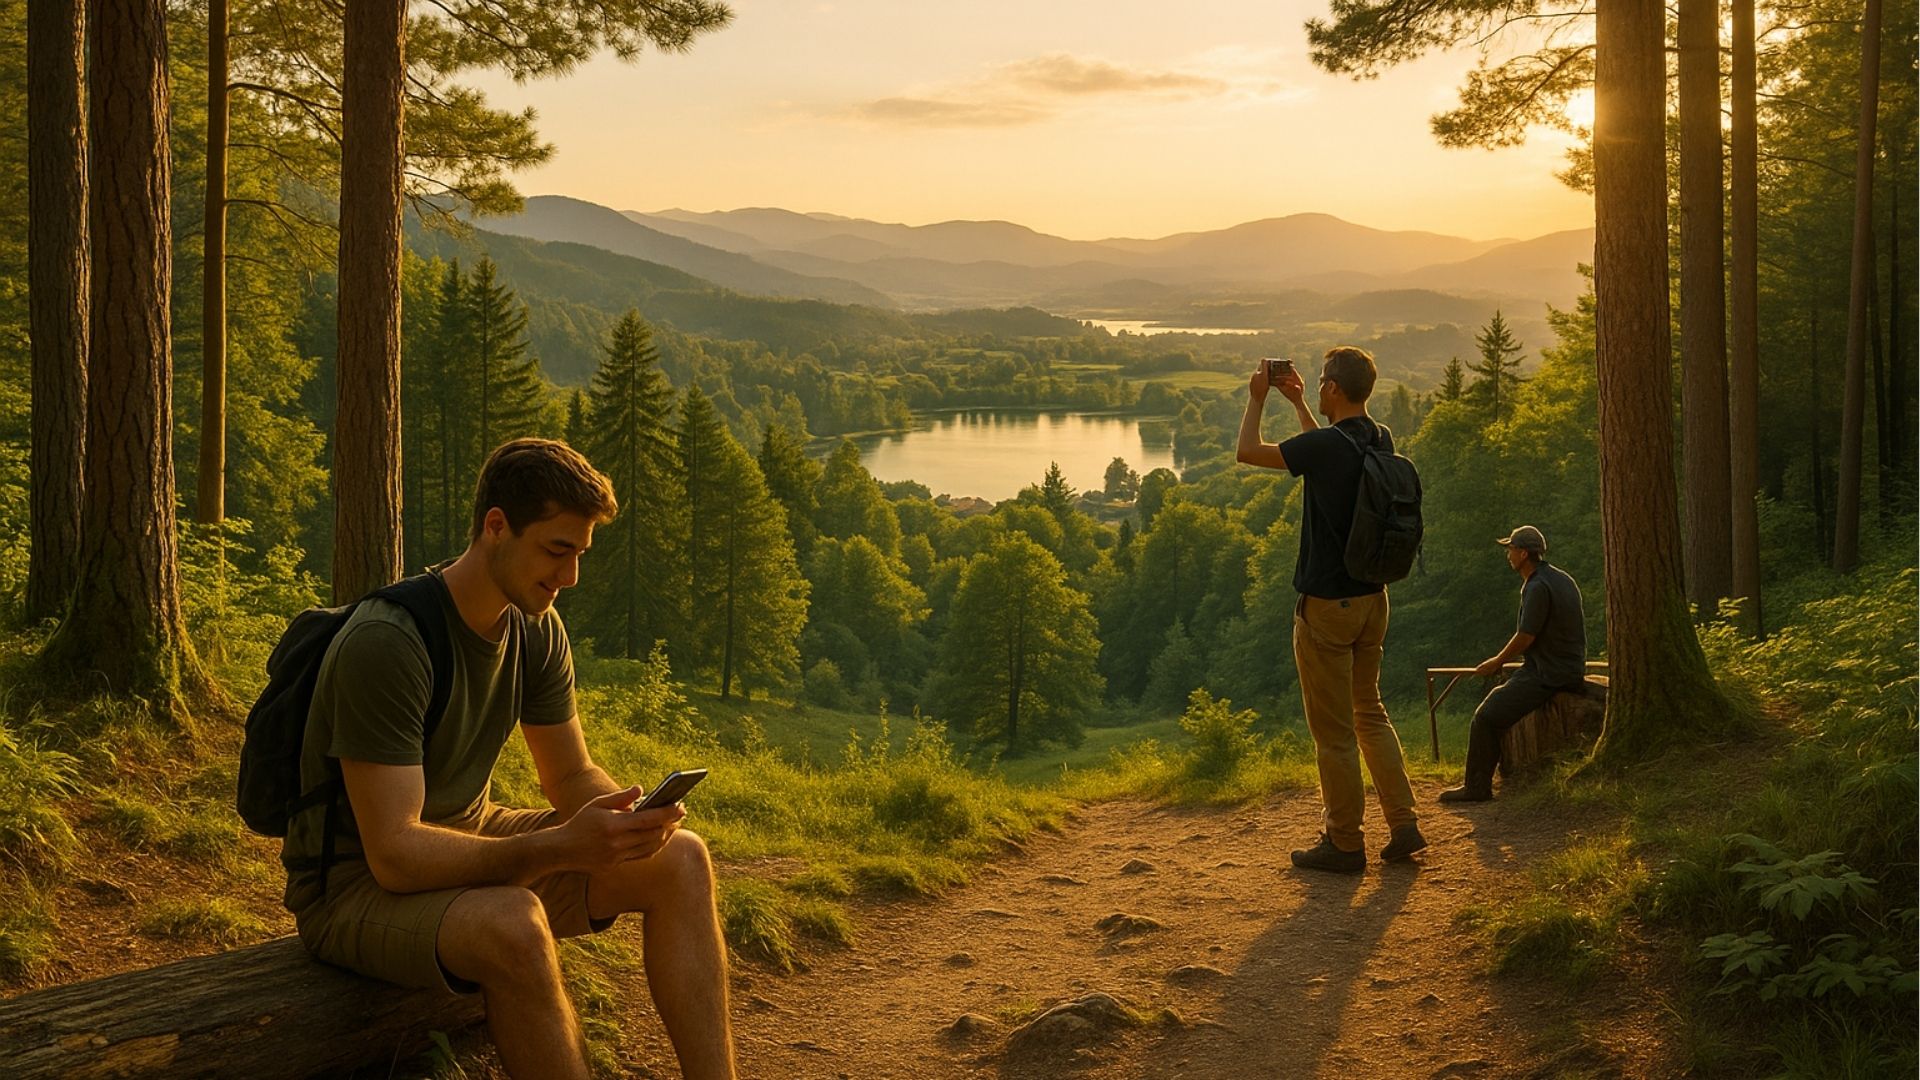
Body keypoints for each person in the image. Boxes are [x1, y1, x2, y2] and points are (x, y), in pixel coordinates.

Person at [282, 438, 737, 1080]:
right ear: (496, 527)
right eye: (557, 550)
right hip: (353, 887)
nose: (570, 577)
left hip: (467, 841)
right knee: (514, 923)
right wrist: (561, 847)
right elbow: (394, 853)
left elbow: (570, 775)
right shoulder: (389, 642)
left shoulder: (533, 624)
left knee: (681, 858)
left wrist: (622, 819)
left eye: (579, 554)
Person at [1236, 348, 1425, 872]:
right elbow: (1328, 449)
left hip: (1328, 609)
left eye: (1320, 384)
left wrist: (1257, 399)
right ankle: (1404, 823)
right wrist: (1298, 403)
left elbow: (1248, 451)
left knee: (1335, 733)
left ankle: (1344, 842)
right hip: (1373, 599)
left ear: (1335, 390)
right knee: (1370, 712)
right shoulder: (1379, 438)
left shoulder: (1325, 447)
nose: (1316, 389)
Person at [1439, 525, 1588, 803]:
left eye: (1510, 549)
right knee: (1500, 702)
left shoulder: (1536, 586)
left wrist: (1497, 661)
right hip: (1568, 667)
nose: (1508, 554)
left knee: (1486, 716)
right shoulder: (1561, 578)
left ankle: (1477, 788)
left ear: (1523, 553)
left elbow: (1526, 636)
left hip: (1548, 673)